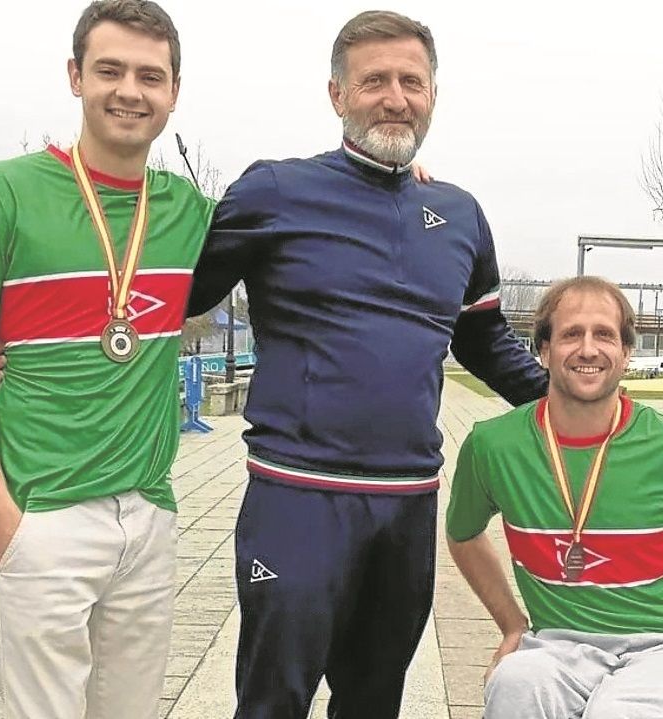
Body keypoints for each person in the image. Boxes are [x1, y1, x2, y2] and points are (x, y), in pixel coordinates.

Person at [186, 10, 549, 718]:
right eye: (374, 80)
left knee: (374, 699)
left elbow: (484, 342)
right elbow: (175, 293)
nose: (395, 97)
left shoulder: (461, 215)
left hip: (408, 504)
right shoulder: (274, 190)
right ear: (337, 95)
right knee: (272, 699)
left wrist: (586, 410)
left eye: (411, 81)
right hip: (297, 496)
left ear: (434, 94)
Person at [0, 2, 214, 716]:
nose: (130, 90)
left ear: (174, 90)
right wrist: (1, 518)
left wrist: (402, 177)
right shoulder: (3, 191)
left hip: (147, 516)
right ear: (74, 76)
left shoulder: (192, 212)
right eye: (110, 69)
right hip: (39, 514)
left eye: (151, 76)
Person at [446, 276, 663, 719]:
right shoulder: (492, 447)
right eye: (571, 334)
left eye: (605, 335)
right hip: (562, 642)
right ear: (543, 350)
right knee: (515, 683)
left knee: (616, 711)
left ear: (626, 354)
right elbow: (462, 533)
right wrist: (512, 625)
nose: (588, 349)